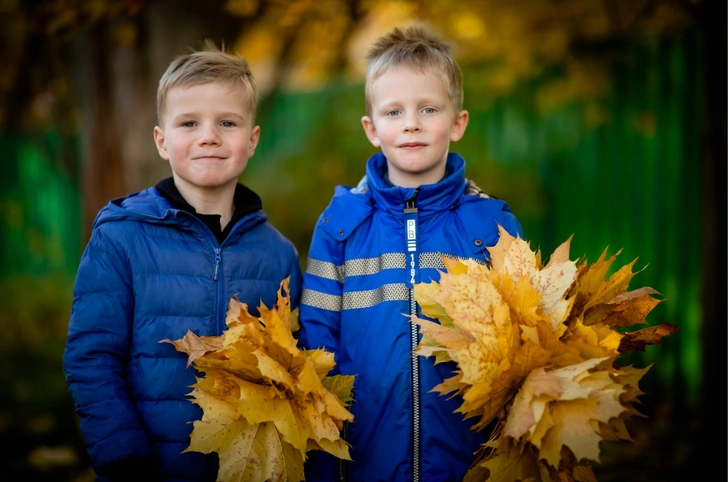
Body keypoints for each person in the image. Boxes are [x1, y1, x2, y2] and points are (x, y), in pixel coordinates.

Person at [62, 42, 303, 482]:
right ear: (162, 140)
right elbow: (91, 356)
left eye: (227, 123)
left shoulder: (278, 254)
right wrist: (122, 455)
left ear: (251, 140)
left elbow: (291, 372)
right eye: (189, 123)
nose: (209, 135)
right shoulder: (121, 237)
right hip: (148, 468)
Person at [296, 24, 524, 482]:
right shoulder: (341, 224)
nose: (411, 123)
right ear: (372, 129)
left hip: (469, 461)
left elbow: (523, 352)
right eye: (394, 111)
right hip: (365, 459)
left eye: (428, 109)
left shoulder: (492, 227)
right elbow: (316, 347)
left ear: (457, 123)